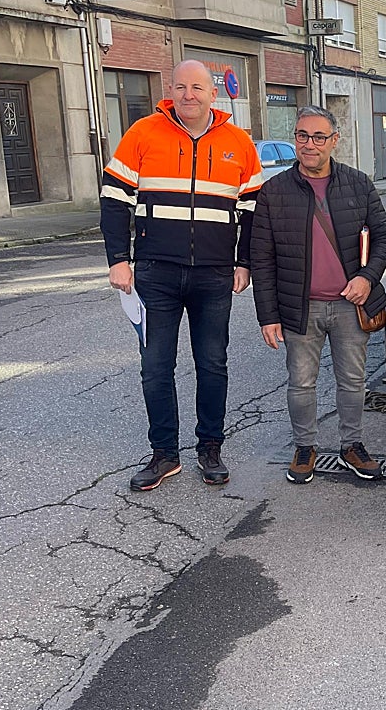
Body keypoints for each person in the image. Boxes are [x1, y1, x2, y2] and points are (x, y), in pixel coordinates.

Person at [101, 59, 264, 491]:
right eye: (180, 87)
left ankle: (210, 448)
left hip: (214, 276)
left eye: (197, 87)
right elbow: (114, 199)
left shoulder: (239, 143)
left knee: (213, 364)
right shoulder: (143, 133)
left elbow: (252, 213)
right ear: (169, 90)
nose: (188, 94)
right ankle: (164, 455)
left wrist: (243, 262)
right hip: (155, 273)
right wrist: (118, 258)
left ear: (213, 93)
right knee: (155, 367)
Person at [250, 106, 386, 485]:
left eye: (318, 137)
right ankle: (304, 447)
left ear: (334, 141)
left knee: (353, 381)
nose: (309, 144)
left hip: (351, 304)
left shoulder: (358, 183)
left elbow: (385, 236)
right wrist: (268, 315)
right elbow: (261, 258)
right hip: (300, 307)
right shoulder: (273, 192)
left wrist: (367, 277)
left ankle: (352, 446)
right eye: (302, 135)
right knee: (301, 383)